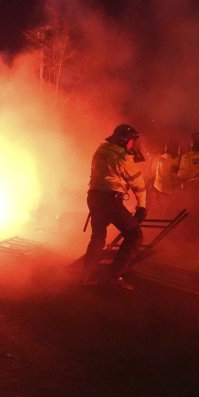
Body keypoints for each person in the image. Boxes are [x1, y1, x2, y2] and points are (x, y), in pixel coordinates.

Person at [83, 123, 148, 290]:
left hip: (94, 197)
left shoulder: (101, 150)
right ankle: (115, 276)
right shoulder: (121, 156)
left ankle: (87, 276)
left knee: (98, 236)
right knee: (134, 235)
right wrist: (141, 207)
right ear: (125, 140)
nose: (133, 144)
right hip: (110, 200)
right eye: (132, 140)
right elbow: (137, 183)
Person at [150, 142, 181, 215]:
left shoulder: (157, 158)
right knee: (169, 210)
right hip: (169, 190)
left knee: (160, 209)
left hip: (158, 188)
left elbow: (152, 172)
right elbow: (177, 175)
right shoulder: (175, 160)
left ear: (165, 149)